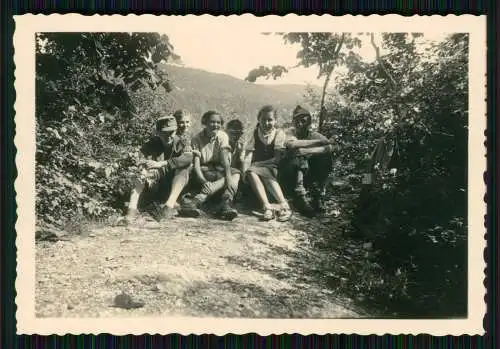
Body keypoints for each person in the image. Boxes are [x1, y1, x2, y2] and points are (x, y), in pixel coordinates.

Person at [125, 113, 193, 224]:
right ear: (158, 133)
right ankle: (132, 209)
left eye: (172, 132)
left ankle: (169, 206)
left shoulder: (182, 142)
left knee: (183, 169)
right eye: (164, 133)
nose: (169, 136)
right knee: (140, 173)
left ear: (176, 131)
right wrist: (143, 168)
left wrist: (161, 164)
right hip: (157, 182)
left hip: (176, 184)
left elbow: (188, 158)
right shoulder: (153, 143)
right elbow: (141, 156)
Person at [179, 110, 240, 220]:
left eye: (218, 122)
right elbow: (196, 165)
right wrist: (204, 182)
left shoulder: (222, 136)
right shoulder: (196, 139)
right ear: (205, 123)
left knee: (235, 175)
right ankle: (221, 204)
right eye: (212, 122)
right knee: (226, 177)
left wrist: (228, 178)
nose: (215, 125)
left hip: (219, 170)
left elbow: (225, 160)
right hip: (204, 171)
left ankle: (222, 202)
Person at [281, 105, 336, 217]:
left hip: (307, 173)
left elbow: (331, 147)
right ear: (293, 122)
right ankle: (300, 196)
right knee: (297, 153)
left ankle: (318, 194)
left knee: (325, 156)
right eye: (297, 121)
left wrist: (310, 151)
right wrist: (317, 145)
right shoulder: (289, 133)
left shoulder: (314, 135)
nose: (300, 124)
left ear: (309, 123)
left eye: (303, 121)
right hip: (288, 173)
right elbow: (292, 144)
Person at [242, 105, 292, 222]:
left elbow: (277, 159)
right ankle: (267, 207)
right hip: (258, 167)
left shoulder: (279, 134)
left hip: (273, 166)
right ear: (259, 120)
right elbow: (248, 155)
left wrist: (256, 165)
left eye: (270, 120)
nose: (267, 123)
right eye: (263, 119)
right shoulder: (254, 133)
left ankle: (284, 206)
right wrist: (245, 169)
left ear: (275, 121)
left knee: (259, 171)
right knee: (251, 172)